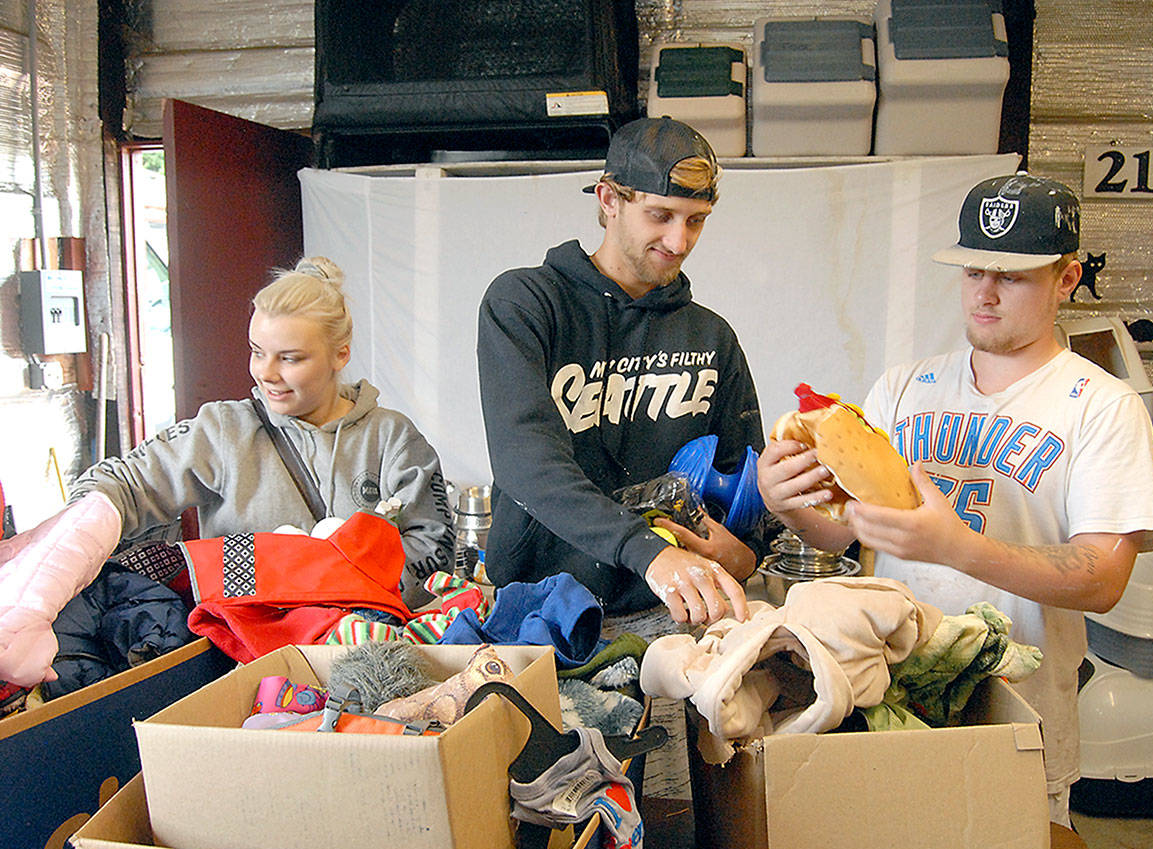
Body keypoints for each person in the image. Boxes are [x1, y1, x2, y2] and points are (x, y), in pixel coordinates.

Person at [757, 173, 1153, 825]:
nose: (986, 292)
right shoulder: (905, 387)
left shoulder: (1102, 408)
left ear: (1067, 279)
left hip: (1017, 715)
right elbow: (845, 535)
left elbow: (1103, 579)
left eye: (1014, 275)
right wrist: (786, 501)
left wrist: (957, 549)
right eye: (974, 270)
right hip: (889, 702)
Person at [477, 117, 763, 627]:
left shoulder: (712, 338)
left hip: (670, 611)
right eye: (661, 215)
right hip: (540, 608)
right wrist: (649, 553)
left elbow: (747, 484)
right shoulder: (524, 304)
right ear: (609, 200)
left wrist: (749, 551)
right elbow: (527, 464)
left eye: (696, 219)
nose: (679, 240)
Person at [69, 256, 455, 609]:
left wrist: (338, 594)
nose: (266, 373)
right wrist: (65, 549)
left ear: (341, 353)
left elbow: (433, 555)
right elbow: (119, 485)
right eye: (257, 352)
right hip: (242, 660)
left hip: (363, 648)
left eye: (290, 358)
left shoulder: (393, 439)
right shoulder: (222, 432)